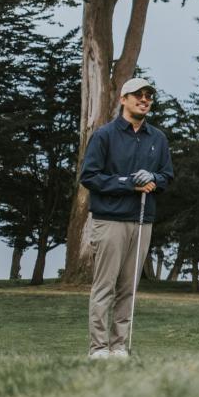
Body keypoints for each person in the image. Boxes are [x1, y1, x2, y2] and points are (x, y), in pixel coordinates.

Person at [79, 77, 174, 359]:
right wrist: (127, 183)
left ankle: (119, 346)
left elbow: (167, 176)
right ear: (123, 99)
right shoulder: (104, 135)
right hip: (109, 221)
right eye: (138, 95)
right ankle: (98, 348)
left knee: (128, 288)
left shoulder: (157, 138)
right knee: (104, 286)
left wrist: (154, 178)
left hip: (142, 221)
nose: (144, 99)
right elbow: (89, 176)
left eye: (148, 96)